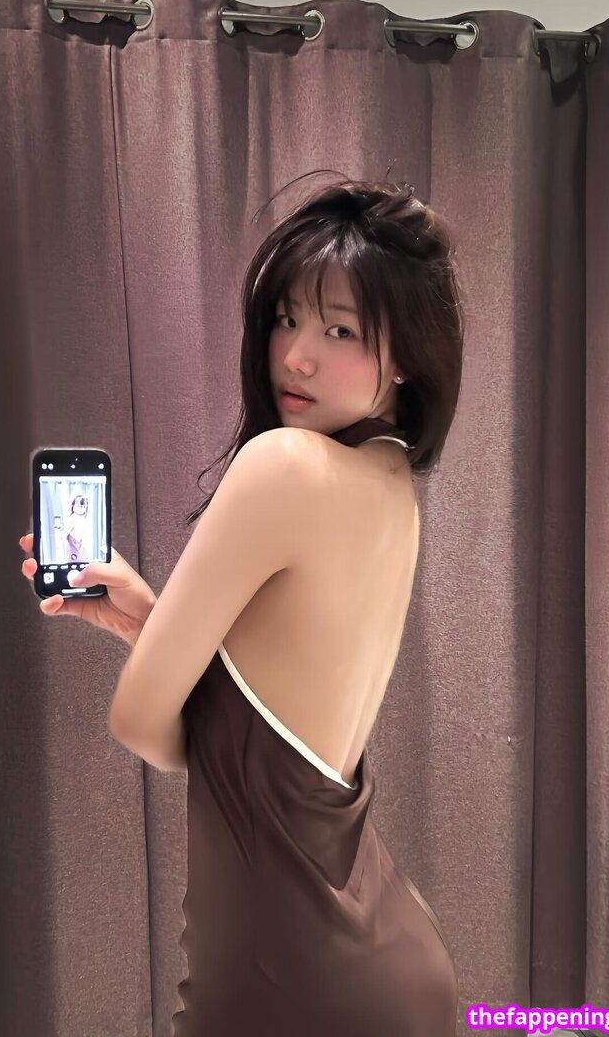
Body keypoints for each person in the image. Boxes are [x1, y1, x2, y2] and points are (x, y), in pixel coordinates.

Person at [170, 170, 466, 1036]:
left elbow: (145, 723)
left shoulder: (284, 464)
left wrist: (160, 660)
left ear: (404, 353)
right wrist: (157, 622)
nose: (294, 355)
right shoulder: (388, 482)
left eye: (338, 329)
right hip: (387, 959)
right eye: (285, 317)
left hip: (289, 976)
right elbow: (279, 715)